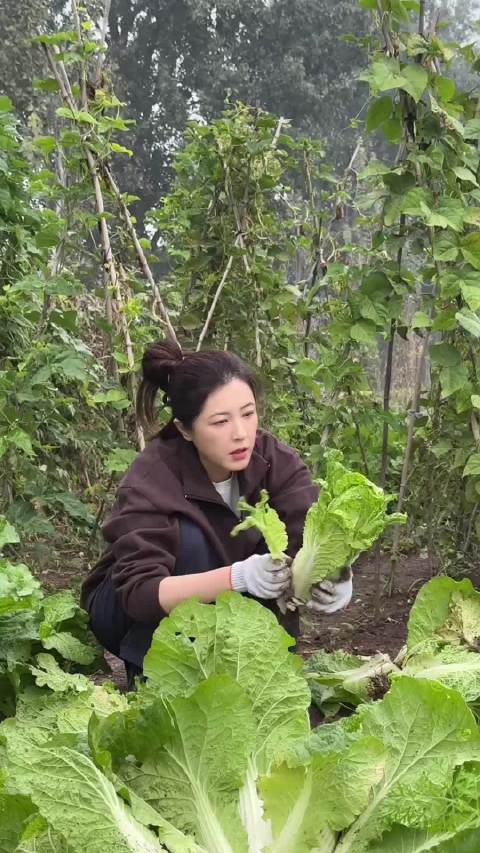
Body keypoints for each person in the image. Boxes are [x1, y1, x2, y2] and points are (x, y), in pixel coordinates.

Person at [81, 340, 353, 684]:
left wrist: (335, 577)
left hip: (225, 607)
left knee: (273, 552)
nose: (240, 434)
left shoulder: (273, 460)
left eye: (248, 413)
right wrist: (237, 577)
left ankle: (256, 666)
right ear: (184, 429)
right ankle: (154, 676)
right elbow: (139, 593)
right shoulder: (152, 476)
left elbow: (309, 530)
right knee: (192, 540)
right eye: (220, 421)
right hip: (129, 609)